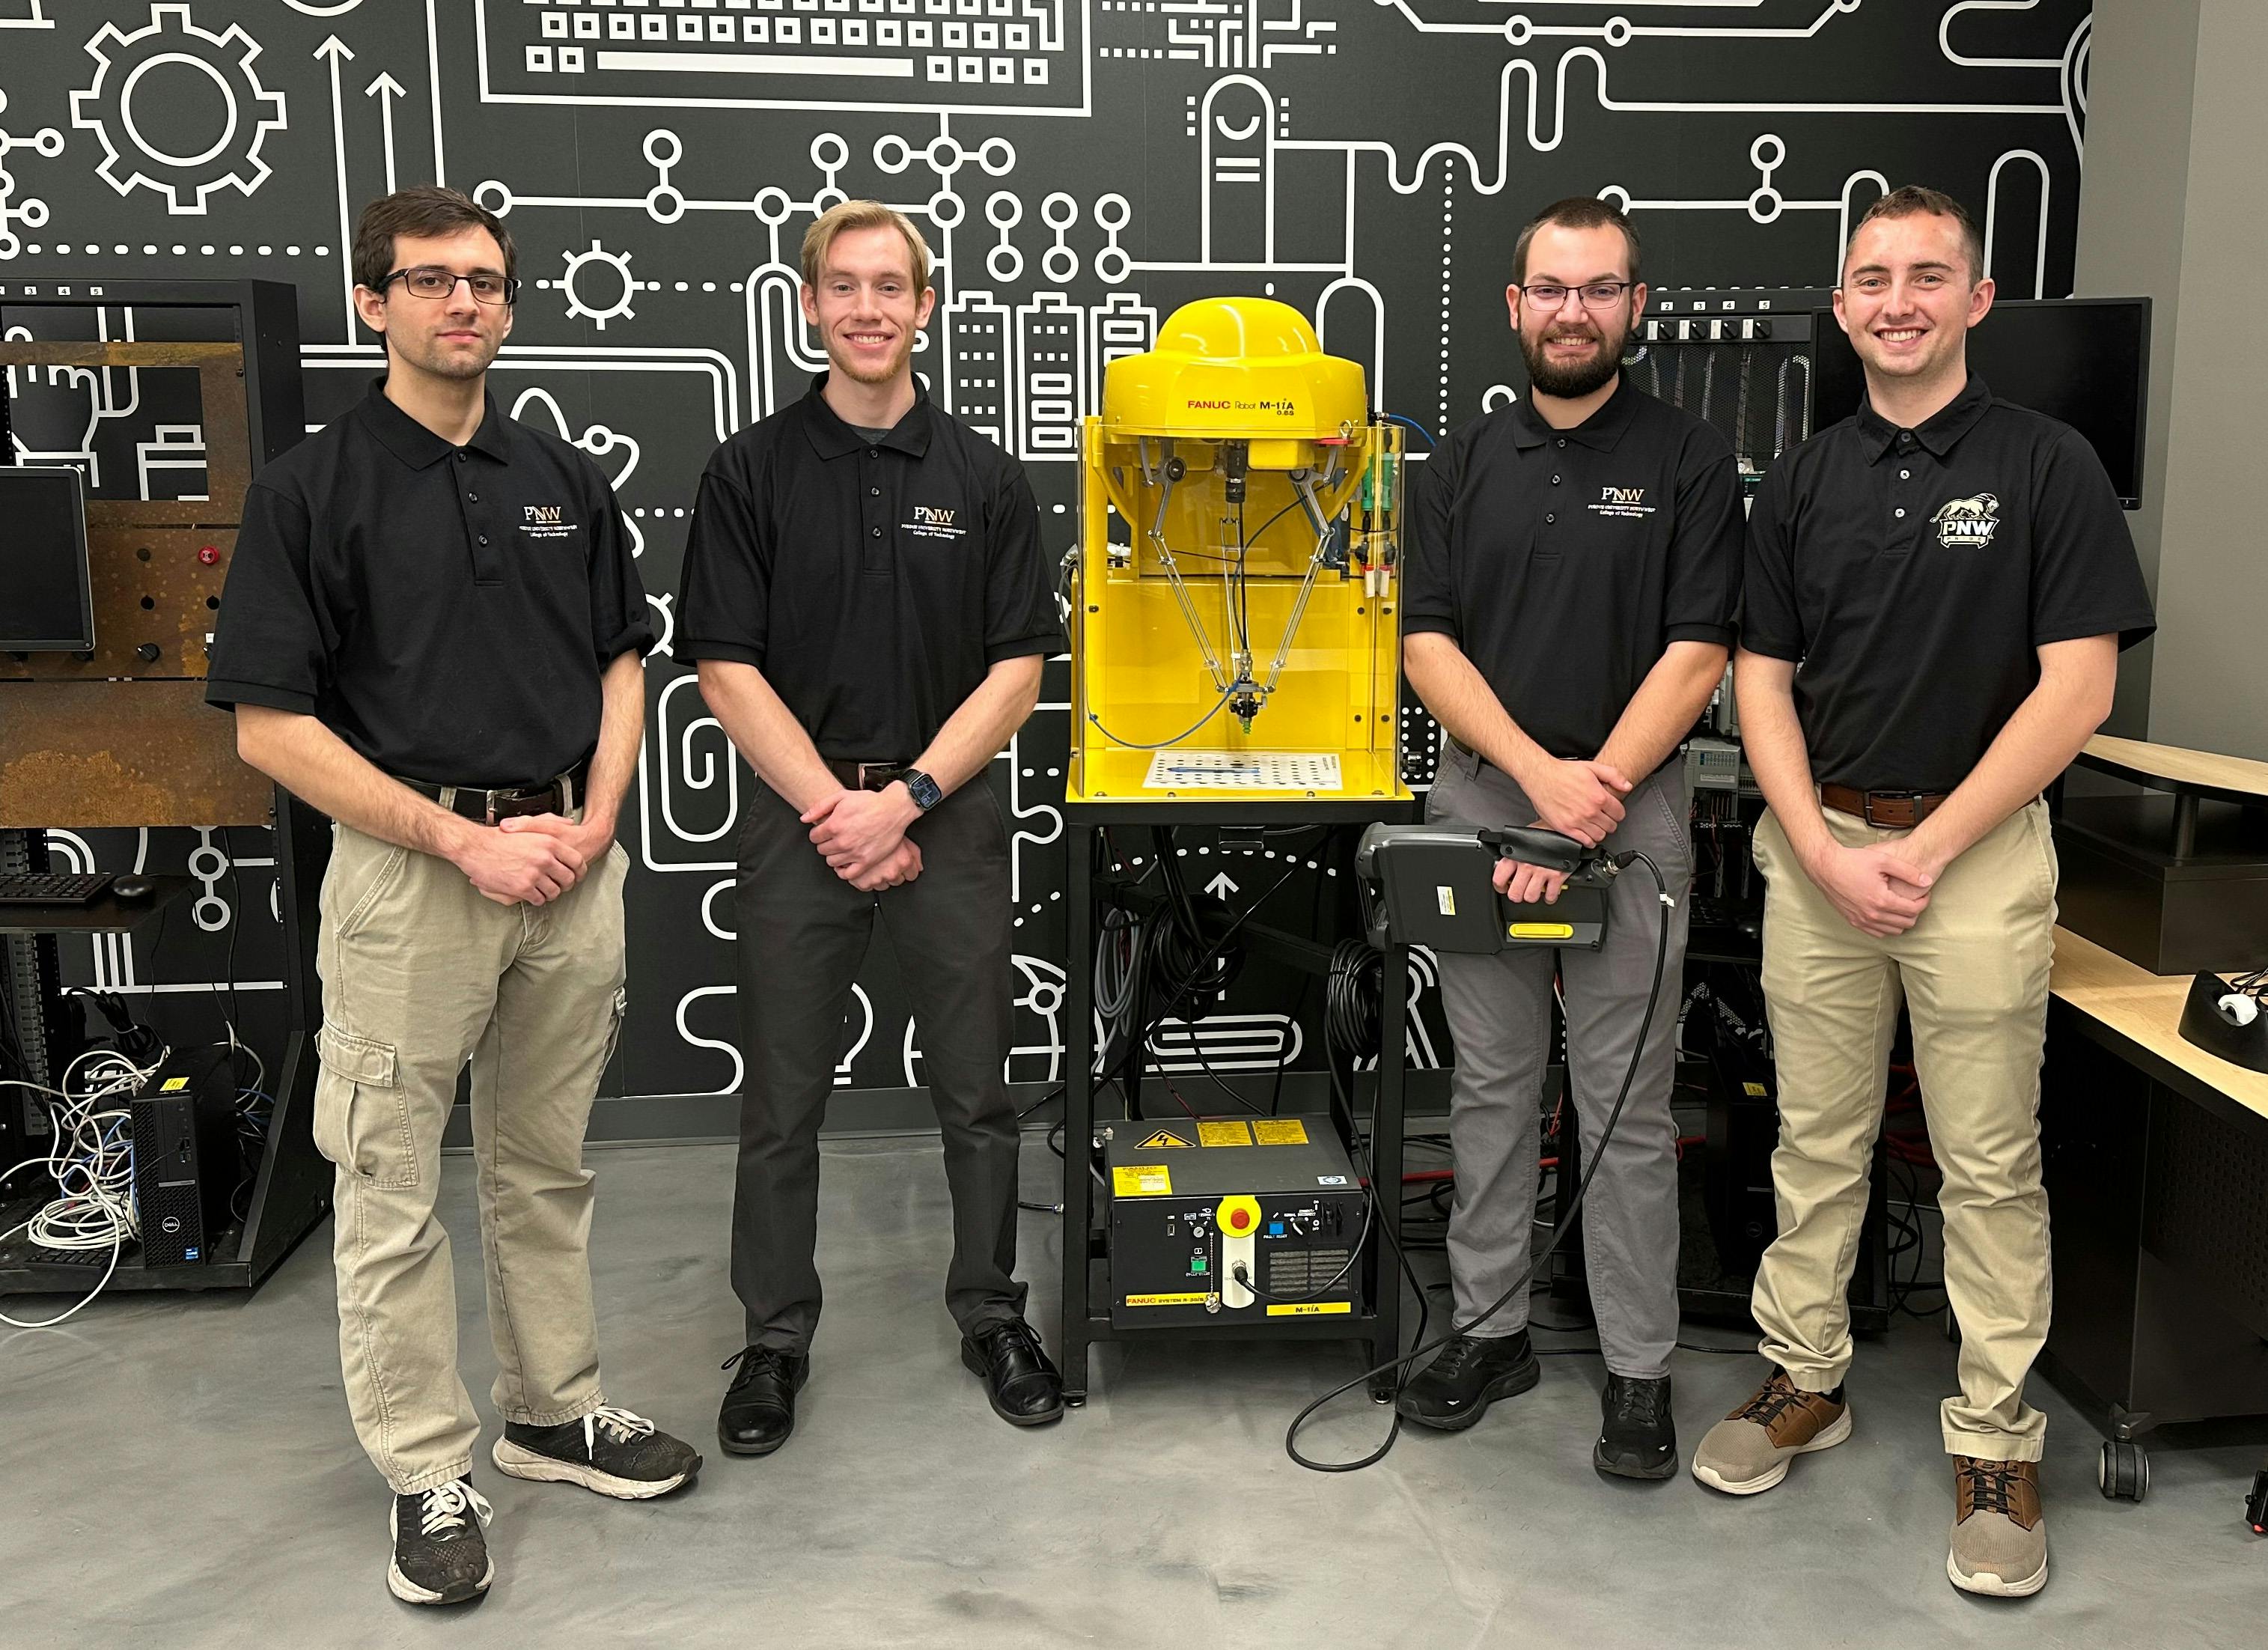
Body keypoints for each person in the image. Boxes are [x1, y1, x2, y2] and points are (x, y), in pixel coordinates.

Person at [207, 186, 699, 1606]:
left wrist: (599, 819)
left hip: (570, 865)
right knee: (389, 1185)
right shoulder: (313, 488)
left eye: (484, 282)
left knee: (547, 1168)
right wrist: (465, 842)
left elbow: (623, 659)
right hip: (414, 880)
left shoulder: (558, 472)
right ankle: (430, 1468)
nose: (463, 304)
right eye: (429, 283)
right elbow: (268, 728)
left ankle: (553, 1410)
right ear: (374, 304)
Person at [1696, 186, 2154, 1599]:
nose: (1896, 299)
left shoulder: (2045, 464)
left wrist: (1931, 844)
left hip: (1974, 863)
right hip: (1820, 854)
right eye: (1871, 278)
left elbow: (2077, 682)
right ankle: (1804, 1379)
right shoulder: (1803, 481)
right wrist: (1824, 849)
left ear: (1974, 303)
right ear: (1843, 307)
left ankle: (1997, 1442)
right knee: (1817, 1146)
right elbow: (1756, 680)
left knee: (1986, 1166)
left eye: (1926, 276)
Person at [680, 200, 1067, 1457]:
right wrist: (834, 809)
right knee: (782, 1100)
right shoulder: (749, 472)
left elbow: (1017, 671)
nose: (866, 309)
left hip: (942, 818)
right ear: (807, 305)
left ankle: (992, 1311)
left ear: (926, 305)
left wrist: (903, 802)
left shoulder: (986, 480)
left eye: (889, 287)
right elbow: (724, 668)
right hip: (801, 818)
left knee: (978, 1094)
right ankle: (775, 1338)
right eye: (841, 287)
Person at [1398, 197, 1743, 1477]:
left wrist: (1592, 783)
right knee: (1489, 1088)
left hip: (1630, 806)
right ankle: (1488, 1332)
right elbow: (1423, 641)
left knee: (1624, 1108)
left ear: (1633, 307)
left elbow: (1697, 644)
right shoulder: (1460, 463)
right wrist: (1542, 779)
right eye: (1550, 289)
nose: (1571, 311)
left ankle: (1639, 1369)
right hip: (1492, 798)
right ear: (1513, 305)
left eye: (1598, 289)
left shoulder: (1687, 459)